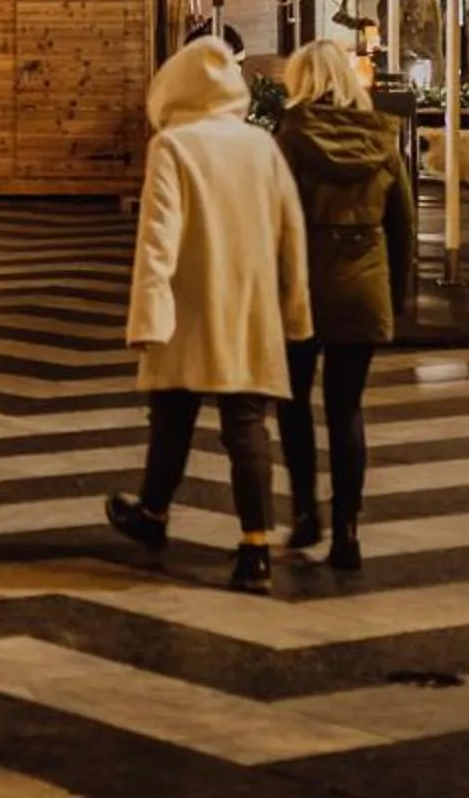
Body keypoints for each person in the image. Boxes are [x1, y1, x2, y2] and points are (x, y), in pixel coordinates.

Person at [105, 36, 312, 593]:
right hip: (249, 304)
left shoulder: (173, 146)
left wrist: (148, 316)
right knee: (247, 427)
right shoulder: (260, 146)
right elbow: (292, 234)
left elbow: (158, 239)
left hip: (188, 306)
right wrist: (295, 313)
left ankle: (153, 516)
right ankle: (256, 547)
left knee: (172, 417)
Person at [269, 39, 415, 573]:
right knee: (346, 409)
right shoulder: (383, 138)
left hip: (302, 285)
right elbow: (403, 225)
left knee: (292, 402)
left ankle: (306, 513)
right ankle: (348, 532)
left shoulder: (289, 136)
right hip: (362, 284)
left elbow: (273, 215)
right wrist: (393, 297)